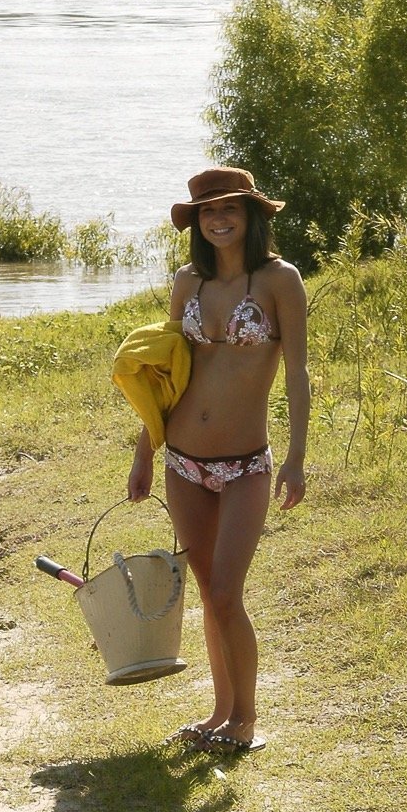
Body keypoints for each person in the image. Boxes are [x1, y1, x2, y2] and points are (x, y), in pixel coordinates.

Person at [127, 167, 309, 753]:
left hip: (246, 464)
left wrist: (296, 457)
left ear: (251, 214)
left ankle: (246, 722)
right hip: (184, 461)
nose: (218, 219)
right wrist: (145, 452)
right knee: (209, 593)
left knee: (228, 593)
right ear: (197, 222)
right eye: (207, 211)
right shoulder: (189, 282)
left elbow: (298, 374)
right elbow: (165, 375)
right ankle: (220, 713)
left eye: (229, 208)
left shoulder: (280, 280)